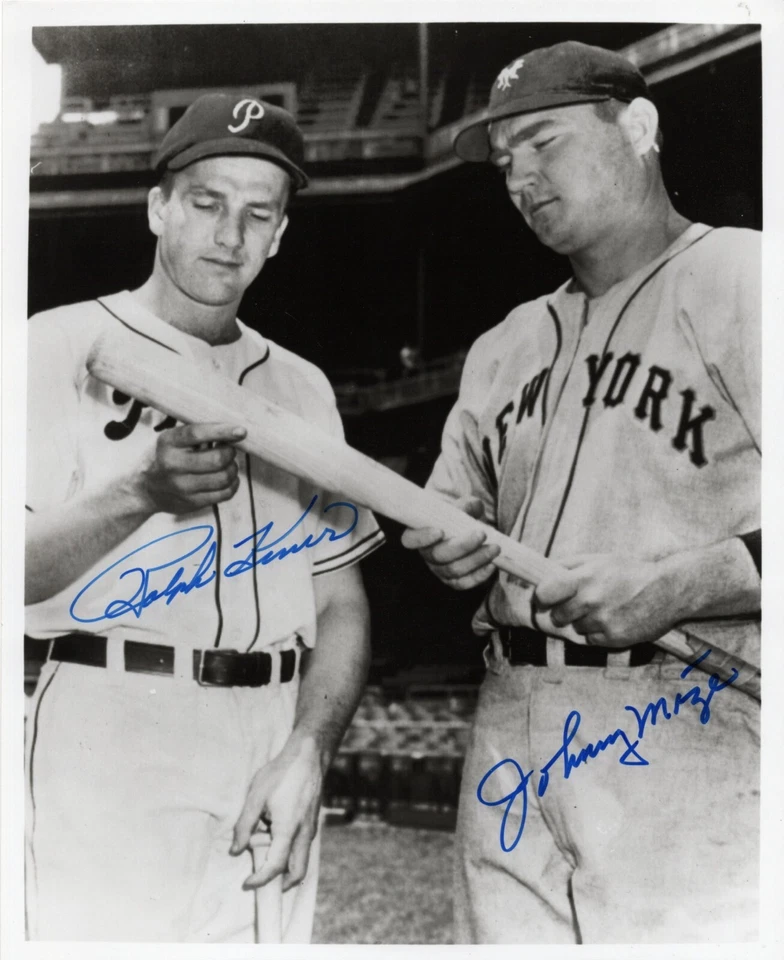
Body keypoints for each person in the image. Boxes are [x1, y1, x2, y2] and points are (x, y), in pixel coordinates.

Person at [402, 41, 761, 944]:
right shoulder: (503, 346)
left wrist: (686, 582)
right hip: (509, 719)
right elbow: (459, 516)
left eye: (543, 142)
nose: (519, 176)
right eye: (504, 159)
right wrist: (451, 547)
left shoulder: (747, 280)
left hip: (684, 709)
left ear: (637, 127)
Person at [24, 93, 385, 943]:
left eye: (259, 213)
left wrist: (311, 749)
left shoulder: (302, 387)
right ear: (158, 207)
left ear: (280, 234)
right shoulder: (54, 345)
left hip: (273, 731)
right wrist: (139, 493)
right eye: (207, 202)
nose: (231, 233)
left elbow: (340, 602)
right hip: (113, 721)